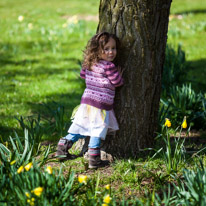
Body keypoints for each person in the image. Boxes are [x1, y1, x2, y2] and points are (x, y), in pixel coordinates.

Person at [56, 31, 124, 169]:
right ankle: (94, 159)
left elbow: (82, 75)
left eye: (113, 48)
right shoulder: (109, 66)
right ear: (97, 50)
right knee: (96, 130)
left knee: (80, 126)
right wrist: (120, 75)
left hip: (87, 103)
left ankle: (62, 148)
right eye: (106, 49)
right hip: (101, 105)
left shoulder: (90, 63)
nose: (111, 52)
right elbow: (117, 82)